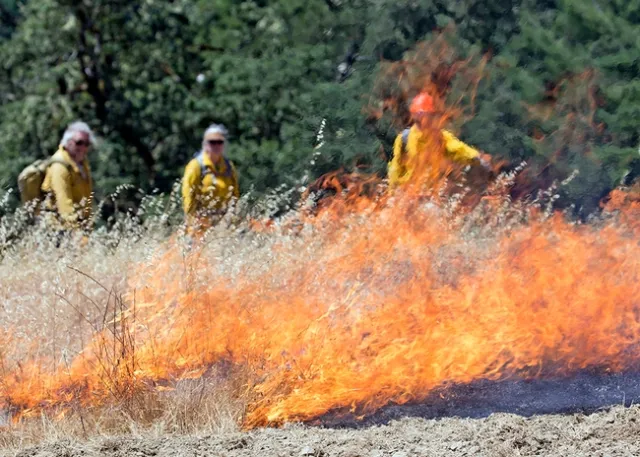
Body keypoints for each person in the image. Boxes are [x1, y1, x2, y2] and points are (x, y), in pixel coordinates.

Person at [388, 92, 490, 187]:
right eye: (419, 115)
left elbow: (459, 149)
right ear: (414, 115)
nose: (423, 118)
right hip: (408, 195)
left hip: (430, 195)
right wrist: (392, 193)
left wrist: (477, 157)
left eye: (426, 115)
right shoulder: (404, 138)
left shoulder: (441, 137)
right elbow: (395, 169)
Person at [181, 124, 239, 227]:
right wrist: (191, 222)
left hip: (224, 224)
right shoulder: (195, 166)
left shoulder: (229, 167)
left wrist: (234, 219)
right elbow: (188, 196)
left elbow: (235, 195)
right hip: (200, 223)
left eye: (219, 142)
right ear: (205, 144)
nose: (216, 145)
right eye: (212, 142)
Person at [41, 121, 95, 229]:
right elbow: (65, 207)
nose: (83, 147)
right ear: (67, 142)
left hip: (78, 226)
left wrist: (88, 228)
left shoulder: (82, 163)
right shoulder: (59, 167)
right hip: (57, 229)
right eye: (79, 142)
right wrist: (78, 236)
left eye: (87, 143)